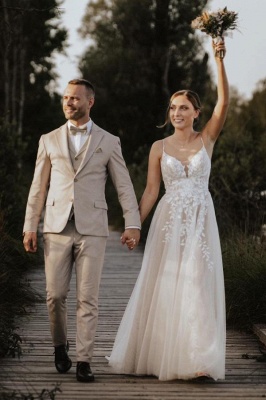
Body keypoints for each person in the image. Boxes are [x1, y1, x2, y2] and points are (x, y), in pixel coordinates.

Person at [107, 39, 229, 381]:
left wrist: (219, 59)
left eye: (184, 108)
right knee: (168, 282)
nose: (177, 113)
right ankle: (163, 354)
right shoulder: (159, 148)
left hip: (201, 220)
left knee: (198, 283)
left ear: (196, 113)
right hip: (169, 220)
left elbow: (224, 101)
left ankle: (198, 359)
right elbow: (149, 191)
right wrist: (134, 225)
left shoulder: (207, 140)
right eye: (173, 108)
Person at [23, 78, 141, 382]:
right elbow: (38, 187)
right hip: (55, 227)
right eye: (65, 98)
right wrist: (29, 226)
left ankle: (84, 360)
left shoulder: (109, 141)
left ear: (90, 102)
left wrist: (132, 223)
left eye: (75, 98)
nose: (68, 103)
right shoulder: (48, 139)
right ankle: (60, 345)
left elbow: (124, 185)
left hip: (93, 229)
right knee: (55, 296)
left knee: (88, 298)